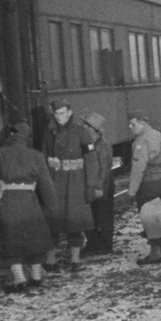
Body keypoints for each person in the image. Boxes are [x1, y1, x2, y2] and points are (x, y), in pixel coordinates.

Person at [0, 122, 58, 293]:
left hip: (7, 202)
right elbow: (46, 185)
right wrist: (53, 207)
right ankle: (37, 276)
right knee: (35, 239)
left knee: (10, 240)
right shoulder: (37, 156)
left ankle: (19, 278)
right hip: (30, 202)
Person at [43, 99, 97, 273]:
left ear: (69, 113)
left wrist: (90, 185)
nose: (59, 117)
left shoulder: (81, 133)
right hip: (55, 182)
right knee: (52, 221)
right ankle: (50, 260)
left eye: (62, 113)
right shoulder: (49, 133)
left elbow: (91, 160)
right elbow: (43, 158)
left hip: (76, 182)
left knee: (75, 222)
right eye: (56, 114)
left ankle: (75, 259)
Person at [127, 111, 161, 265]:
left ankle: (155, 253)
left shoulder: (142, 141)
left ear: (142, 122)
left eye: (133, 124)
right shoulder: (158, 135)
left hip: (149, 183)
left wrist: (132, 191)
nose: (130, 127)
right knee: (160, 215)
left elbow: (138, 169)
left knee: (149, 218)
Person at [80, 111, 115, 257]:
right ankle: (94, 244)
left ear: (93, 129)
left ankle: (105, 245)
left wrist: (99, 187)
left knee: (103, 217)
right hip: (93, 186)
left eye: (86, 125)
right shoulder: (91, 144)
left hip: (102, 187)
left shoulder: (103, 146)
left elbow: (105, 169)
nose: (83, 127)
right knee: (93, 217)